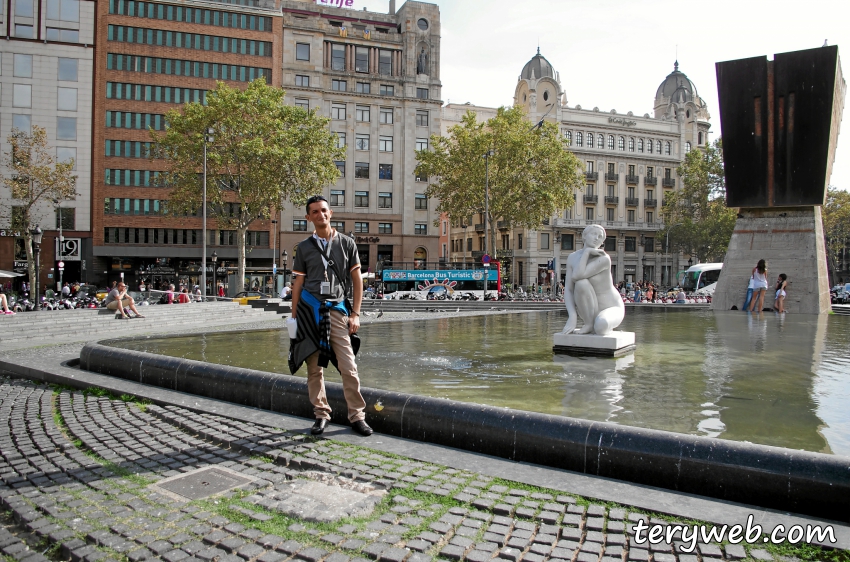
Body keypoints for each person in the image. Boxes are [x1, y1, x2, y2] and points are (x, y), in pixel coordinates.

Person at [289, 195, 372, 437]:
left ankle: (357, 416)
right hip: (309, 312)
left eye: (323, 210)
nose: (320, 215)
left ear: (331, 213)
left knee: (349, 366)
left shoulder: (347, 243)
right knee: (314, 369)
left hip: (337, 312)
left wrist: (355, 314)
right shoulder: (304, 247)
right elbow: (298, 283)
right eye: (314, 212)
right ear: (308, 217)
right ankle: (321, 414)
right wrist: (293, 317)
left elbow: (357, 280)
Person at [561, 224, 625, 335]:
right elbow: (569, 289)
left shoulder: (604, 258)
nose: (596, 238)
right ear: (584, 236)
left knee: (601, 326)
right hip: (589, 309)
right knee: (581, 284)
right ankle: (588, 324)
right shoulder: (572, 257)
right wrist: (572, 316)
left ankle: (596, 323)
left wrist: (586, 252)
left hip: (611, 307)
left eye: (600, 237)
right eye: (594, 234)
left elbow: (577, 275)